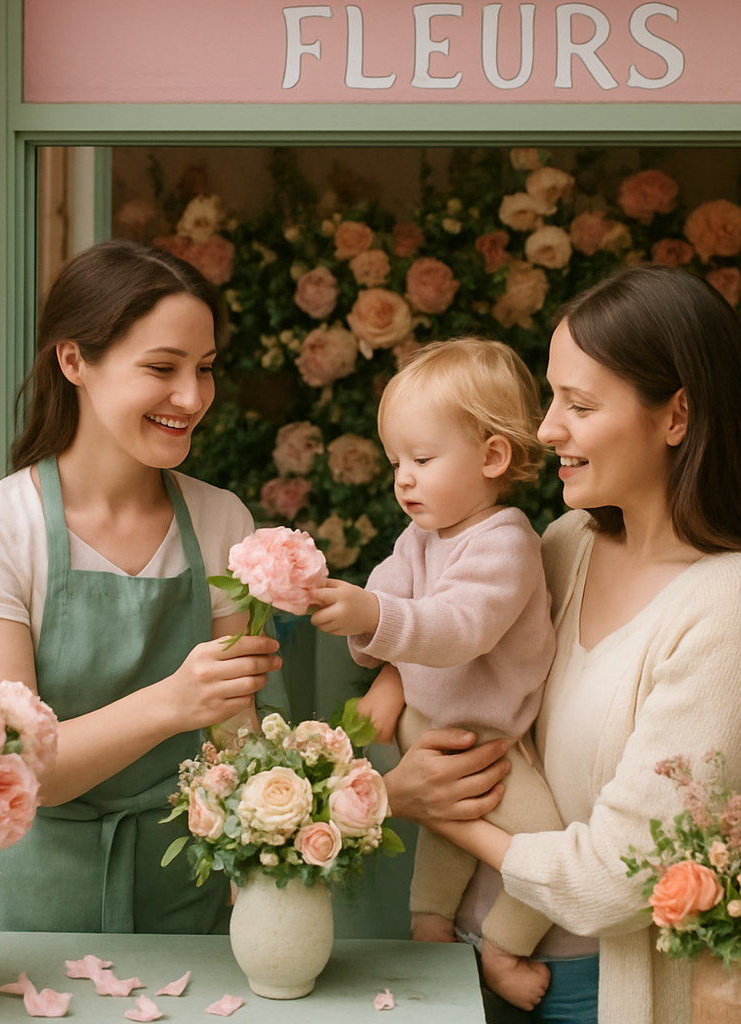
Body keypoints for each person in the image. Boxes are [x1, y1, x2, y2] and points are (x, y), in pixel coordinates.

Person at [380, 265, 741, 1024]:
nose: (545, 428)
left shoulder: (740, 603)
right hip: (467, 965)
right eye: (552, 397)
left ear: (677, 416)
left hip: (598, 994)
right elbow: (456, 659)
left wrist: (440, 811)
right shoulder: (565, 544)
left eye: (580, 404)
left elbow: (619, 879)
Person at [0, 240, 284, 934]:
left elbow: (236, 736)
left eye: (205, 368)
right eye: (162, 368)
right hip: (20, 917)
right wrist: (174, 701)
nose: (192, 397)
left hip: (182, 901)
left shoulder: (221, 520)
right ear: (73, 360)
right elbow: (15, 767)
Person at [311, 338, 564, 1012]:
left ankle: (471, 937)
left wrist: (372, 615)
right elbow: (383, 612)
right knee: (530, 838)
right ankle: (483, 943)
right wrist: (346, 610)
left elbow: (459, 627)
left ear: (492, 457)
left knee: (521, 844)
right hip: (450, 726)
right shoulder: (418, 539)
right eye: (396, 462)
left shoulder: (506, 541)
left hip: (475, 730)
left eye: (422, 460)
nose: (403, 479)